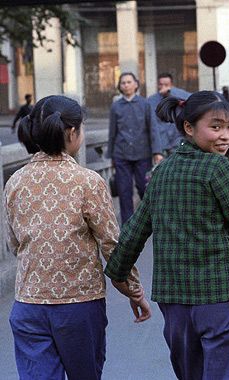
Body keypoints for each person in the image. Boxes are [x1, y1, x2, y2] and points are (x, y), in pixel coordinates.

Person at [105, 91, 229, 380]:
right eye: (215, 126)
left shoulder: (162, 171)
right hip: (225, 298)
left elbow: (135, 230)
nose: (225, 135)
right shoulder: (218, 168)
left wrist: (119, 275)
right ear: (189, 128)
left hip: (175, 303)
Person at [4, 95, 150, 380]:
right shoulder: (87, 181)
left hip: (28, 305)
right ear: (72, 133)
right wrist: (133, 290)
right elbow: (112, 245)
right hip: (79, 307)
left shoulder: (15, 182)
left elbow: (14, 243)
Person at [107, 72, 163, 224]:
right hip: (121, 154)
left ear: (136, 84)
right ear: (120, 86)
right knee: (124, 191)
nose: (126, 85)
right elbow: (112, 132)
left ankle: (149, 221)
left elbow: (153, 128)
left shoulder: (145, 104)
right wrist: (111, 155)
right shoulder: (116, 106)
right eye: (123, 82)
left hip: (142, 153)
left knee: (143, 187)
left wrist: (157, 152)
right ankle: (128, 225)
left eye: (129, 82)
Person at [148, 72, 191, 156]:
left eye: (166, 84)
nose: (163, 87)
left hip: (177, 140)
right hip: (161, 143)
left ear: (171, 85)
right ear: (157, 85)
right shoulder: (151, 100)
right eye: (161, 84)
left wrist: (171, 91)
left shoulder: (179, 95)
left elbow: (191, 98)